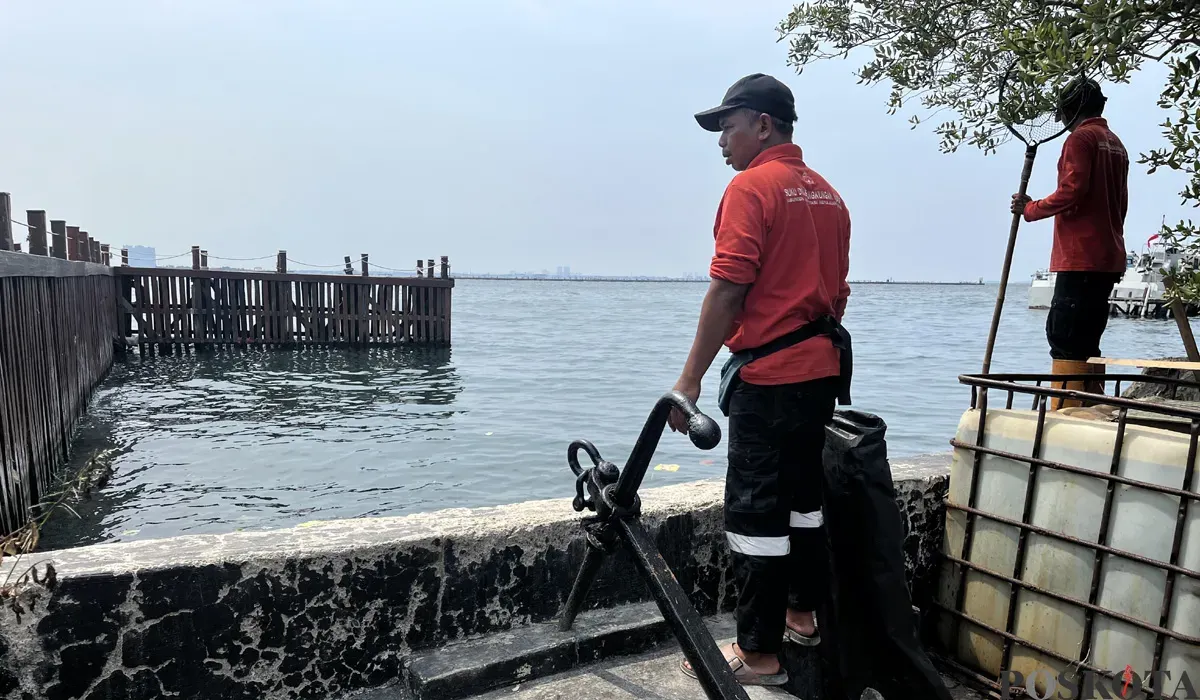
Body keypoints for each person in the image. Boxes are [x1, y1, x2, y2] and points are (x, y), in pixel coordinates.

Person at [669, 73, 852, 686]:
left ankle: (759, 655)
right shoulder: (829, 196)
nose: (722, 141)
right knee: (803, 504)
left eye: (728, 127)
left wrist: (689, 382)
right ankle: (802, 615)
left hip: (769, 379)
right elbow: (838, 293)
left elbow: (728, 288)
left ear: (763, 125)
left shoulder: (751, 187)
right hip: (820, 374)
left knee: (755, 516)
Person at [1011, 77, 1129, 408]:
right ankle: (1092, 408)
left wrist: (1030, 209)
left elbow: (1072, 191)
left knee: (1065, 337)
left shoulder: (1080, 139)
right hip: (1108, 256)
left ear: (1071, 110)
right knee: (1088, 339)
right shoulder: (1115, 143)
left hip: (1081, 257)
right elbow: (1120, 203)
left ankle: (1067, 414)